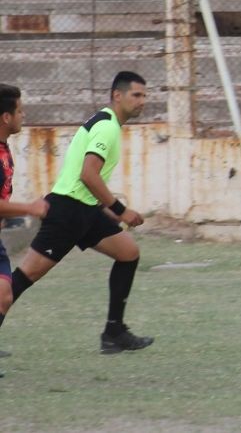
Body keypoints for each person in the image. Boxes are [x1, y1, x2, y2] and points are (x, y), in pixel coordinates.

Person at [1, 71, 153, 357]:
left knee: (128, 252)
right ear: (117, 96)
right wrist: (120, 211)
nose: (142, 101)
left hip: (85, 210)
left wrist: (104, 212)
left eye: (145, 96)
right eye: (137, 95)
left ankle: (114, 333)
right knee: (26, 275)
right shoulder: (107, 127)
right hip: (68, 209)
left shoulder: (107, 124)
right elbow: (88, 174)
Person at [0, 84, 50, 376]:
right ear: (6, 117)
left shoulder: (4, 149)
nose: (24, 116)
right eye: (20, 111)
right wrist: (29, 208)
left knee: (4, 295)